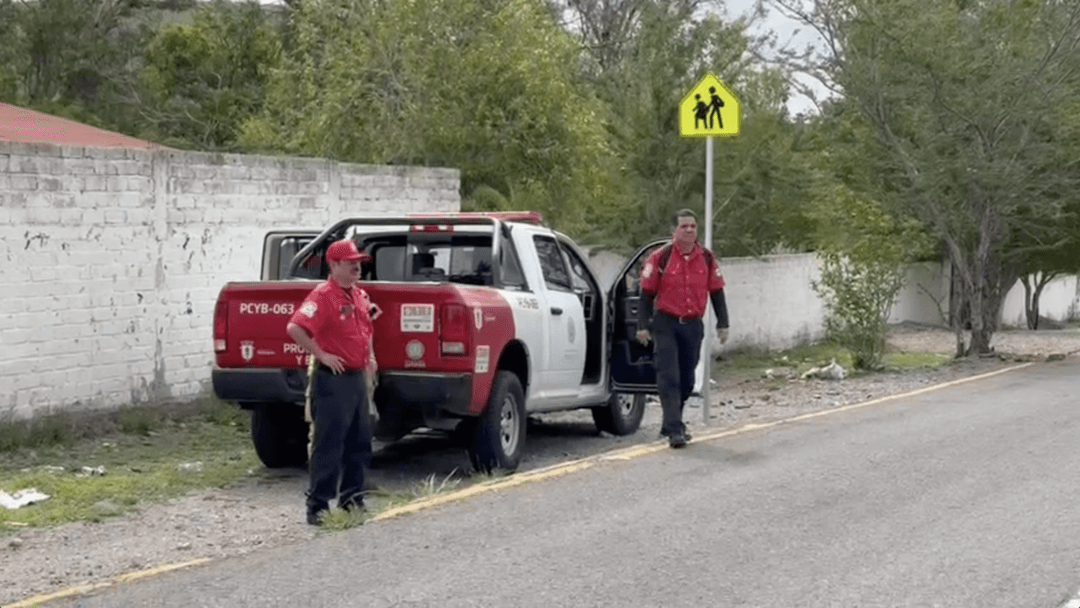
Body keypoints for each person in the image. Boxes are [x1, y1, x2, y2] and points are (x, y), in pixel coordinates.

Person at [286, 238, 376, 525]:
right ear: (334, 264)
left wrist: (371, 357)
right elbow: (295, 327)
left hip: (357, 378)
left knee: (360, 441)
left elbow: (367, 328)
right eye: (350, 264)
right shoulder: (323, 296)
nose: (356, 268)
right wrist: (321, 354)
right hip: (333, 380)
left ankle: (353, 499)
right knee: (329, 444)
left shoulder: (359, 295)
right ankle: (319, 505)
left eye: (358, 264)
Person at [636, 209, 730, 448]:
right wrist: (642, 325)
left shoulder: (707, 258)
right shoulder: (661, 257)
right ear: (673, 231)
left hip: (692, 325)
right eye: (684, 226)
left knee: (687, 380)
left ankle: (670, 420)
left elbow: (717, 291)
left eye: (692, 226)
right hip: (666, 323)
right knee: (669, 377)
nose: (689, 230)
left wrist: (723, 323)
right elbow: (646, 294)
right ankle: (676, 430)